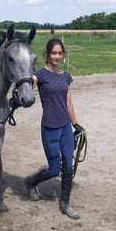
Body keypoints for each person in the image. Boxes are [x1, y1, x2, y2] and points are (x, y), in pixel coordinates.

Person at [24, 38, 84, 220]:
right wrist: (21, 91)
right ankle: (30, 182)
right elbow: (29, 82)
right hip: (49, 128)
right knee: (53, 170)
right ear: (47, 54)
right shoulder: (40, 75)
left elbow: (69, 103)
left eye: (60, 53)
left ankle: (65, 204)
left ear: (63, 55)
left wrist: (75, 124)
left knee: (68, 167)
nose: (57, 56)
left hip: (65, 127)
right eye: (53, 53)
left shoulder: (66, 76)